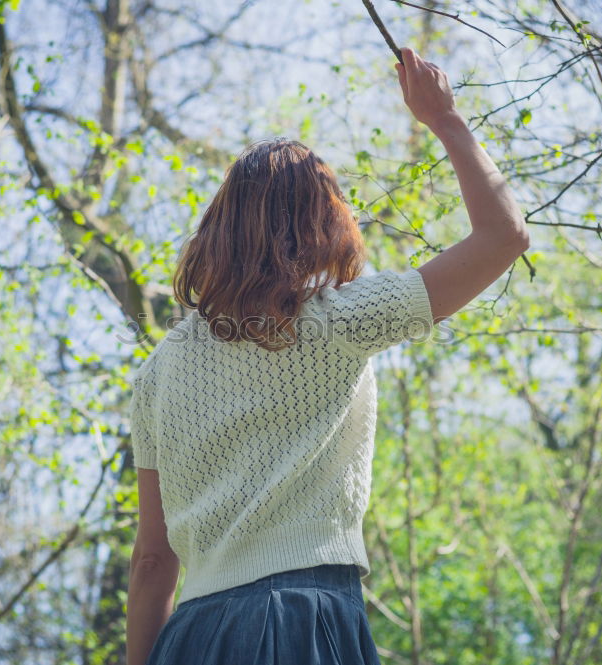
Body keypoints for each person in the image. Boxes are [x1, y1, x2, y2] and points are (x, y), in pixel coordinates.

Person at [124, 46, 529, 665]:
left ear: (222, 226)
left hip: (190, 637)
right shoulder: (336, 317)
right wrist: (444, 118)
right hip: (301, 619)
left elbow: (153, 560)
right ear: (324, 223)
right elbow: (504, 237)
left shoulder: (156, 372)